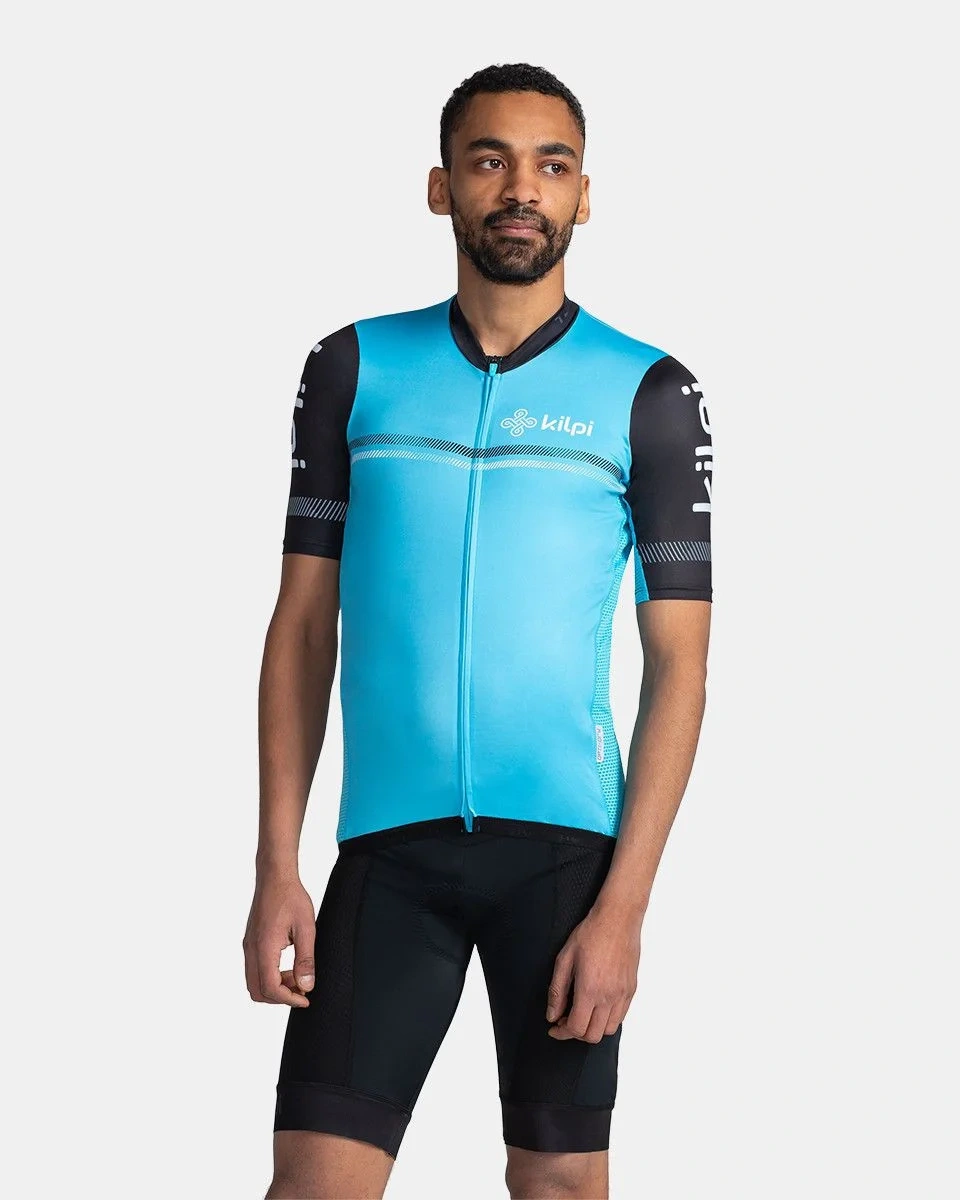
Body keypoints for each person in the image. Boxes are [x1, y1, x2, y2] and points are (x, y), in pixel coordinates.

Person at [244, 61, 713, 1200]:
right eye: (489, 160)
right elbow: (302, 627)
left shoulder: (650, 392)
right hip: (386, 854)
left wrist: (626, 908)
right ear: (440, 186)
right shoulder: (353, 367)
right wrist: (276, 864)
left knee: (560, 1185)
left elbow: (681, 667)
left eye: (551, 165)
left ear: (584, 195)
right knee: (313, 1186)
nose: (520, 188)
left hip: (564, 861)